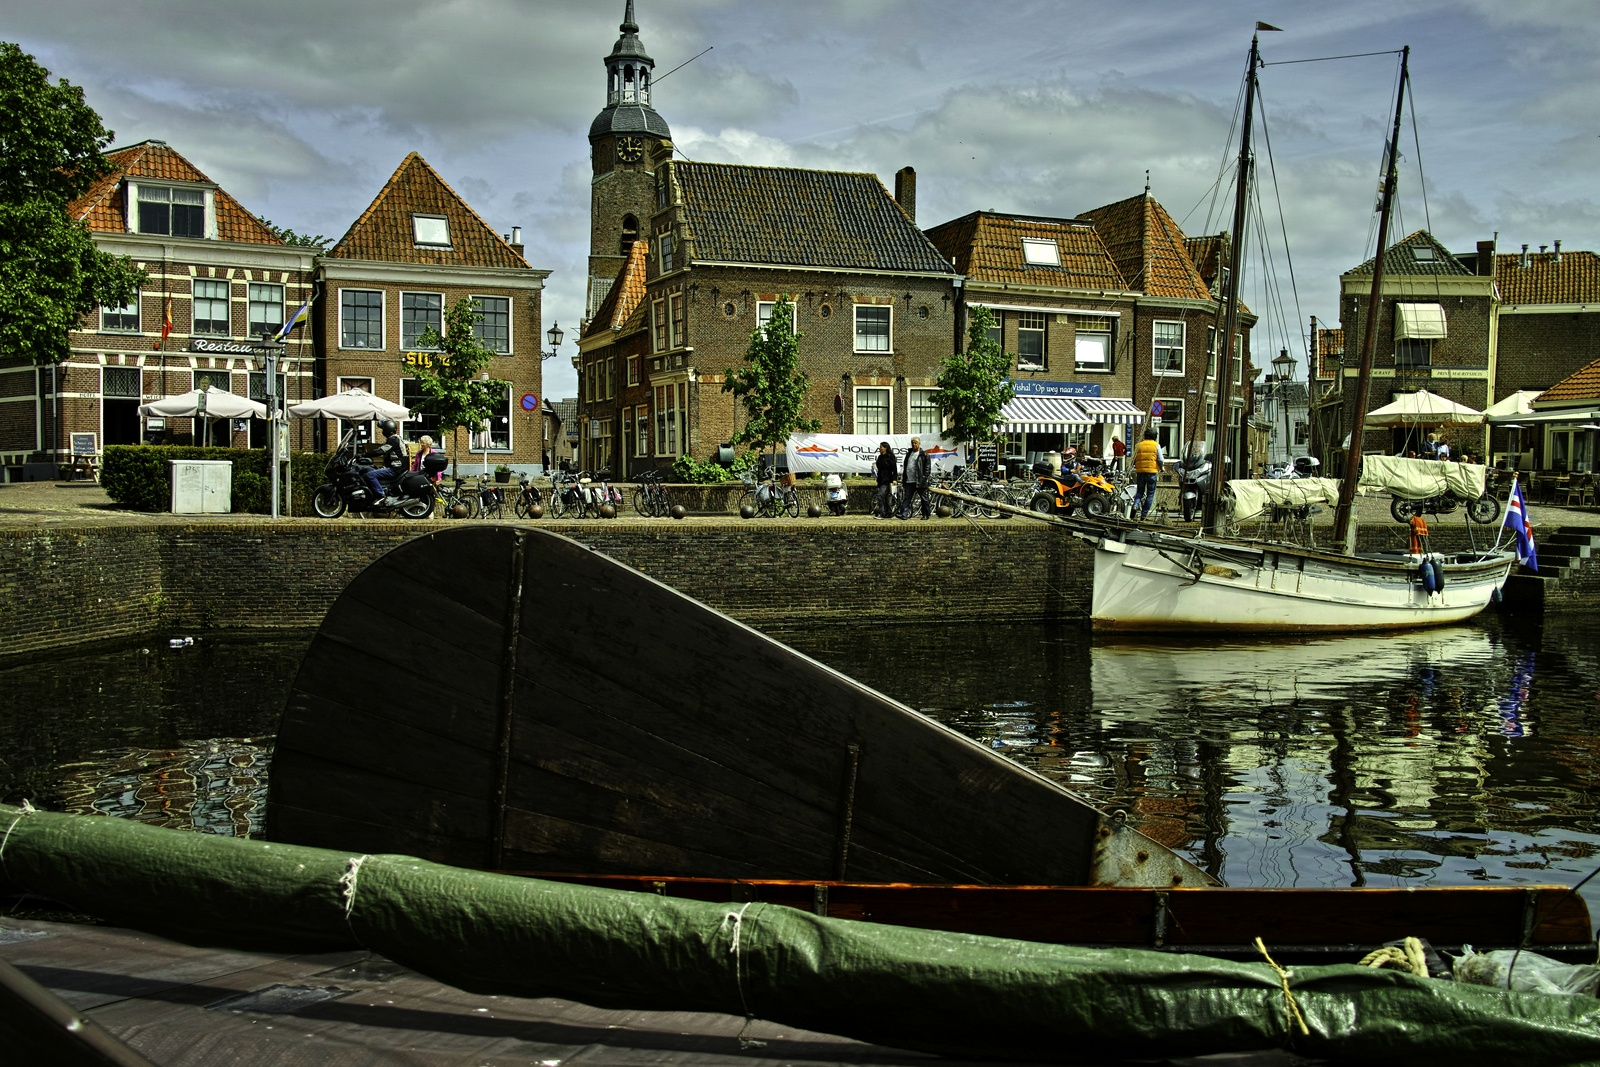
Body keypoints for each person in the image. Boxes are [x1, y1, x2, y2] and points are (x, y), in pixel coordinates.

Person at [364, 418, 409, 504]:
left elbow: (381, 451)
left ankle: (381, 495)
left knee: (370, 475)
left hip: (395, 469)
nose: (382, 431)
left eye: (383, 429)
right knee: (371, 470)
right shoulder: (396, 438)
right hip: (397, 468)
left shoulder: (393, 440)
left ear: (387, 430)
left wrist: (364, 454)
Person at [1133, 429, 1163, 520]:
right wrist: (1162, 467)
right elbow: (1161, 459)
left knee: (1139, 491)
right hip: (1152, 472)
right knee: (1150, 494)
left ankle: (1135, 504)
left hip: (1140, 472)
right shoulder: (1156, 445)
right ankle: (1144, 515)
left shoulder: (1138, 445)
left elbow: (1134, 458)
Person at [900, 436, 932, 520]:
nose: (913, 444)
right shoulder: (909, 454)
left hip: (919, 481)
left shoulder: (924, 455)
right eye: (912, 443)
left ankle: (926, 514)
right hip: (909, 480)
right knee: (907, 498)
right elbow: (906, 466)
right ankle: (904, 514)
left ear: (919, 444)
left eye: (915, 443)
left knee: (924, 499)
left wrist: (924, 478)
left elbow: (927, 468)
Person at [873, 441, 897, 518]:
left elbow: (894, 469)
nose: (880, 448)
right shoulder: (880, 457)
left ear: (885, 448)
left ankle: (882, 512)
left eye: (881, 447)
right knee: (886, 497)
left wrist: (894, 479)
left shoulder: (891, 457)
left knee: (880, 495)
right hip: (881, 479)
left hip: (887, 479)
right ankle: (889, 512)